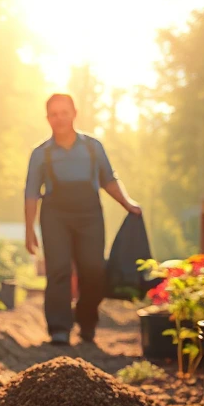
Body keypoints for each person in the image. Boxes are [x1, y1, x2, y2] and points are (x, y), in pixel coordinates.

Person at [24, 93, 141, 345]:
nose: (59, 118)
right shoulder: (40, 154)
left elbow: (109, 179)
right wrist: (29, 229)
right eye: (54, 114)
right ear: (47, 118)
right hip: (55, 216)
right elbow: (31, 193)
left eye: (64, 112)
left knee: (93, 270)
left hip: (89, 215)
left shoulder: (92, 147)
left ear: (74, 113)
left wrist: (127, 203)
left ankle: (87, 322)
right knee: (59, 271)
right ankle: (59, 328)